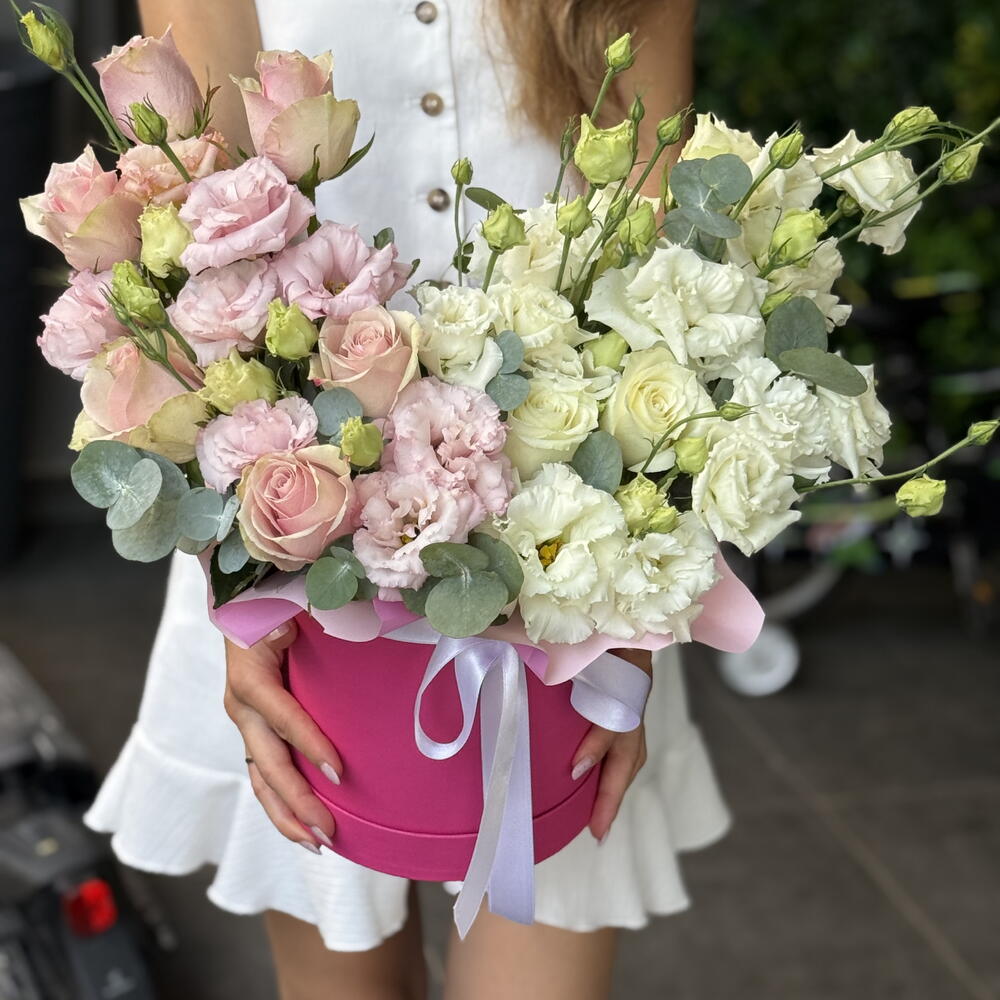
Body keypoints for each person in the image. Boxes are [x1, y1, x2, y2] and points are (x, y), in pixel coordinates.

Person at [86, 2, 727, 998]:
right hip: (292, 549)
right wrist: (242, 586)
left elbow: (656, 236)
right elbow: (195, 237)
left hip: (572, 557)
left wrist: (632, 614)